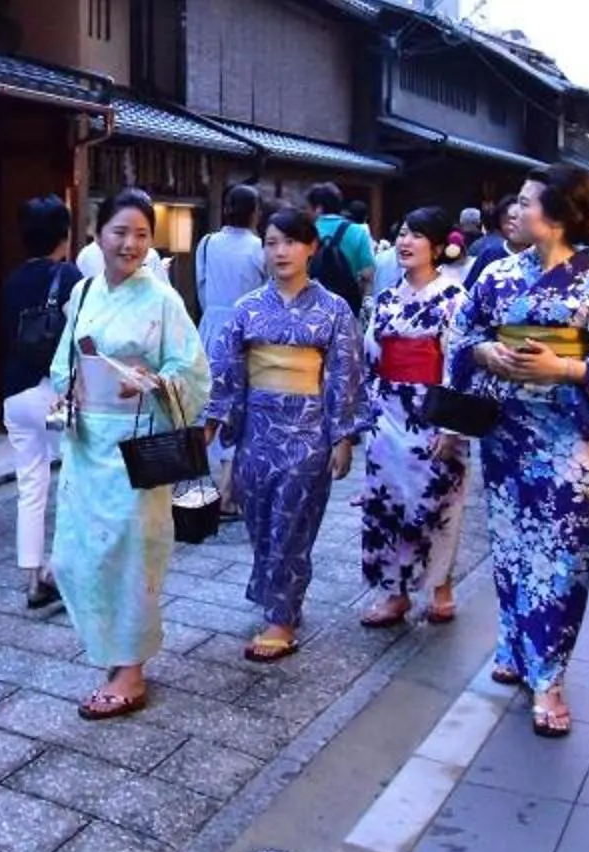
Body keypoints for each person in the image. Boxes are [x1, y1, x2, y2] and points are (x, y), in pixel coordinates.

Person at [452, 163, 589, 738]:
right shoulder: (496, 277)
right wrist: (488, 355)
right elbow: (463, 335)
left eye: (527, 202)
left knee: (561, 557)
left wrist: (563, 366)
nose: (515, 211)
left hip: (567, 438)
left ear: (560, 214)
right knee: (511, 546)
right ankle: (516, 644)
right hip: (508, 432)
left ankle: (551, 676)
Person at [47, 189, 210, 720]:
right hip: (85, 442)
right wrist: (67, 389)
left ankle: (130, 669)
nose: (131, 243)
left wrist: (153, 384)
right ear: (97, 233)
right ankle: (112, 654)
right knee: (77, 557)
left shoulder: (163, 301)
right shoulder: (85, 292)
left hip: (134, 446)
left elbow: (192, 373)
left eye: (142, 234)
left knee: (129, 554)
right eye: (120, 231)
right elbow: (61, 363)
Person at [204, 202, 368, 662]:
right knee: (259, 521)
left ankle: (281, 618)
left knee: (291, 524)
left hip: (308, 432)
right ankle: (279, 595)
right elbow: (225, 371)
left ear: (311, 247)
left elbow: (344, 374)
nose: (280, 252)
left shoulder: (334, 310)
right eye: (271, 243)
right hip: (257, 430)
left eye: (291, 242)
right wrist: (213, 423)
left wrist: (343, 437)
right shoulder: (246, 309)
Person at [357, 208, 472, 628]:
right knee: (388, 504)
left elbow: (460, 366)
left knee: (438, 502)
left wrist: (451, 426)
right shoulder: (386, 298)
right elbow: (371, 358)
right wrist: (367, 416)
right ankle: (395, 592)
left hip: (434, 413)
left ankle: (441, 586)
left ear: (440, 247)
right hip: (388, 414)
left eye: (417, 235)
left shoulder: (456, 299)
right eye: (402, 233)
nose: (405, 242)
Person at [0, 195, 81, 612]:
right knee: (72, 480)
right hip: (55, 393)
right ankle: (57, 571)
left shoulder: (9, 281)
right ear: (64, 236)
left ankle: (32, 578)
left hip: (16, 394)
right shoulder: (70, 277)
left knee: (30, 486)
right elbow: (83, 338)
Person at [192, 183, 265, 333]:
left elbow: (201, 286)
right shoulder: (260, 247)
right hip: (247, 328)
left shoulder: (207, 242)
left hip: (211, 326)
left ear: (226, 210)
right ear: (255, 214)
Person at [304, 183, 374, 312]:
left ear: (318, 209)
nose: (306, 213)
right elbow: (367, 274)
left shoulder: (304, 232)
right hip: (347, 305)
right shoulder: (358, 231)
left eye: (308, 208)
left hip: (311, 306)